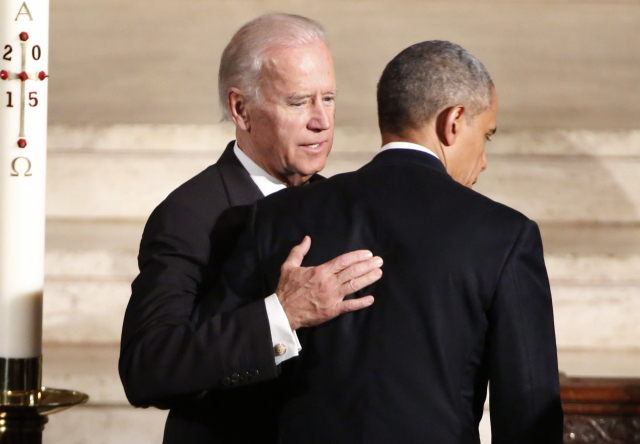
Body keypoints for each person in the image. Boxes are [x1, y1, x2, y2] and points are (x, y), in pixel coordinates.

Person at [208, 40, 564, 443]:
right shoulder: (504, 235)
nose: (483, 160)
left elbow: (218, 378)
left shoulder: (278, 216)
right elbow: (529, 412)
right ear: (453, 121)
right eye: (487, 136)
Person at [118, 13, 383, 444]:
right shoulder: (191, 214)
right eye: (299, 102)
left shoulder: (343, 205)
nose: (322, 121)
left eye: (329, 98)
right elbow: (148, 367)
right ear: (241, 109)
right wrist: (282, 316)